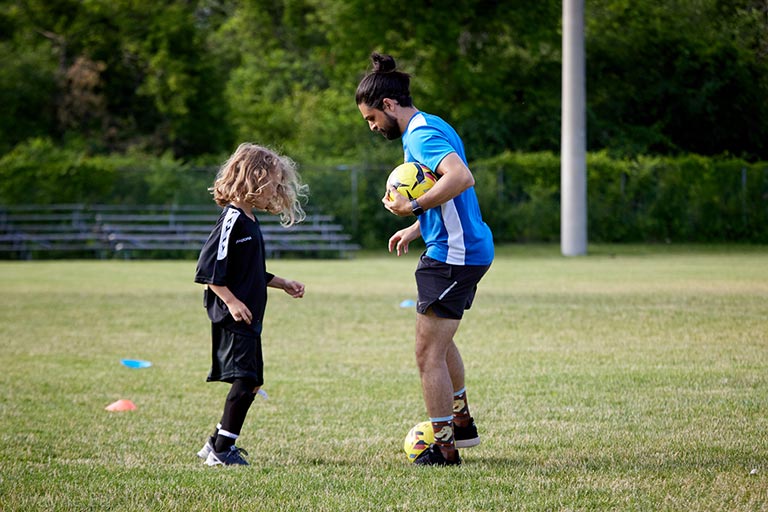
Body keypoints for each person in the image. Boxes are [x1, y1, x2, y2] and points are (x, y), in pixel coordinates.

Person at [356, 53, 494, 466]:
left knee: (426, 353)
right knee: (441, 341)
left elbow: (461, 178)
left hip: (453, 255)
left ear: (389, 105)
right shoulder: (432, 124)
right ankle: (462, 423)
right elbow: (452, 192)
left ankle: (444, 447)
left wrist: (413, 206)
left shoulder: (419, 135)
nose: (372, 127)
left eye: (370, 118)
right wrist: (418, 227)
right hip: (459, 247)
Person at [194, 142, 308, 466]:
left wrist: (282, 283)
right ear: (254, 177)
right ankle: (221, 452)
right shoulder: (231, 219)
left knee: (253, 381)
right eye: (273, 181)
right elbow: (208, 272)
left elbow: (250, 270)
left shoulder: (250, 219)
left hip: (249, 316)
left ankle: (215, 442)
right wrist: (231, 302)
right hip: (234, 316)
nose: (276, 188)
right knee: (246, 381)